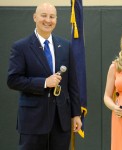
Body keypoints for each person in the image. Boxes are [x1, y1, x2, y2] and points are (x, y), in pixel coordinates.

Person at [7, 2, 82, 150]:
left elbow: (72, 84)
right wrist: (44, 83)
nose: (48, 20)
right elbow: (13, 80)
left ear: (56, 20)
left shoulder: (65, 46)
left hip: (61, 121)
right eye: (44, 15)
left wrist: (76, 114)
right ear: (35, 17)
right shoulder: (21, 47)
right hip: (33, 121)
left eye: (52, 16)